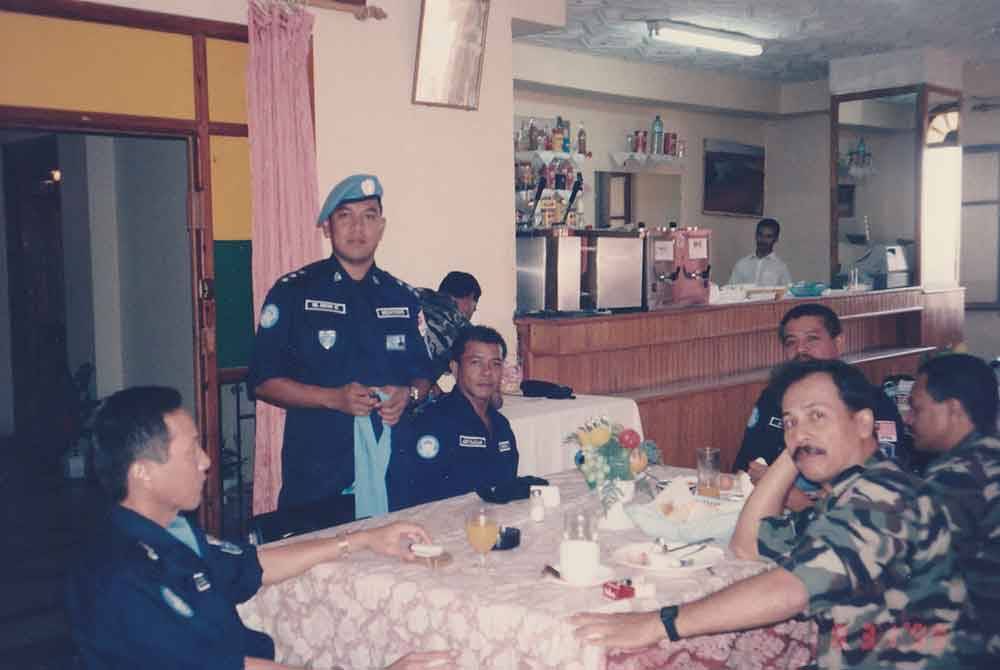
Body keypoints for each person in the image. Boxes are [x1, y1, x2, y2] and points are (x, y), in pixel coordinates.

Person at [571, 359, 964, 668]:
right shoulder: (845, 496)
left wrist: (659, 622)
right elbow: (749, 545)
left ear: (863, 422)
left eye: (817, 416)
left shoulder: (883, 498)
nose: (800, 431)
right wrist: (793, 452)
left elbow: (788, 590)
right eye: (790, 422)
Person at [66, 386, 456, 670]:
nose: (206, 462)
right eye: (192, 451)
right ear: (143, 474)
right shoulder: (119, 576)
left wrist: (364, 539)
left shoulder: (172, 530)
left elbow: (253, 564)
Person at [248, 174, 432, 518]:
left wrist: (411, 395)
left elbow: (424, 375)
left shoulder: (403, 298)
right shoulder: (294, 293)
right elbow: (263, 382)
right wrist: (332, 398)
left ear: (382, 226)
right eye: (345, 216)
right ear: (327, 228)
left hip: (394, 469)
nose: (358, 227)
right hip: (320, 471)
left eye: (369, 215)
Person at [732, 303, 911, 510]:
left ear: (839, 342)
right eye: (791, 342)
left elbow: (886, 483)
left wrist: (796, 500)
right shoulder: (773, 397)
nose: (800, 349)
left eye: (812, 339)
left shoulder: (869, 400)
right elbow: (744, 466)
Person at [906, 353, 1000, 661]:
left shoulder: (959, 475)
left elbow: (908, 558)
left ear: (953, 409)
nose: (908, 419)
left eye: (916, 408)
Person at [389, 326, 518, 510]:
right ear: (455, 368)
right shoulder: (433, 423)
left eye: (495, 364)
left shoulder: (501, 426)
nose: (487, 372)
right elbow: (416, 500)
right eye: (476, 362)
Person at [415, 271, 481, 393]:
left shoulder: (416, 297)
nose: (474, 310)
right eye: (475, 305)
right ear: (471, 297)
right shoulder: (460, 325)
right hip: (400, 396)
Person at [727, 218, 792, 286]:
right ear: (755, 235)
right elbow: (731, 291)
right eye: (760, 235)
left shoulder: (781, 268)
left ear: (776, 239)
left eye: (768, 236)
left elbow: (787, 294)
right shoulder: (742, 264)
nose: (763, 240)